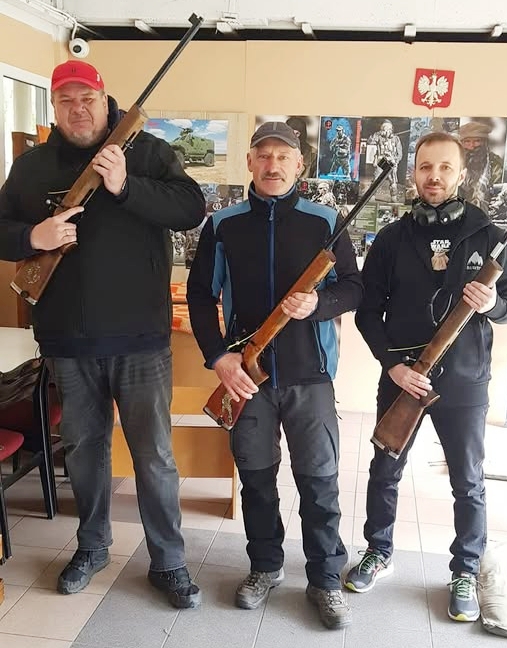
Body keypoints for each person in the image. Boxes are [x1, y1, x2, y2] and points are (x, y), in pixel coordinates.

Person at [0, 61, 206, 607]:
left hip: (140, 341)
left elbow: (190, 209)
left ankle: (169, 560)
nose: (78, 109)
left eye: (86, 98)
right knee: (84, 453)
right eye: (66, 100)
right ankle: (92, 547)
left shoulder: (149, 153)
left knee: (154, 456)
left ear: (104, 98)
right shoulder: (31, 165)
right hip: (68, 342)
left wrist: (124, 185)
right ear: (54, 107)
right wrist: (33, 236)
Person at [187, 121, 363, 629]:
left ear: (298, 164)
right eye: (263, 155)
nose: (272, 165)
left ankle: (325, 579)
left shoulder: (325, 221)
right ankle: (265, 566)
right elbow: (201, 295)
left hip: (312, 377)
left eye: (283, 156)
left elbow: (355, 288)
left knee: (320, 484)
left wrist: (319, 304)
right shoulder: (223, 224)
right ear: (249, 163)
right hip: (247, 377)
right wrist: (219, 357)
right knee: (257, 481)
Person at [344, 131, 507, 622]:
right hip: (402, 377)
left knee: (468, 481)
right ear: (414, 173)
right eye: (426, 167)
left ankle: (464, 569)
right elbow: (367, 313)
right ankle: (378, 551)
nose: (435, 176)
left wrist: (493, 303)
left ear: (461, 173)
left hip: (464, 381)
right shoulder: (391, 239)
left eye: (445, 167)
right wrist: (394, 366)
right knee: (384, 471)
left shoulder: (490, 236)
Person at [457, 121, 504, 214]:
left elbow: (498, 189)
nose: (472, 146)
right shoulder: (454, 161)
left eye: (477, 141)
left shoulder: (495, 163)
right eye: (467, 141)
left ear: (484, 142)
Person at [368, 119, 403, 201]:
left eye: (388, 128)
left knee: (393, 181)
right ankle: (372, 196)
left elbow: (400, 153)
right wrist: (377, 134)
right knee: (376, 179)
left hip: (392, 162)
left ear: (391, 129)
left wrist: (396, 161)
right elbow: (369, 142)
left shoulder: (396, 139)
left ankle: (393, 197)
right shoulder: (378, 137)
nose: (386, 130)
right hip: (381, 161)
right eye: (384, 127)